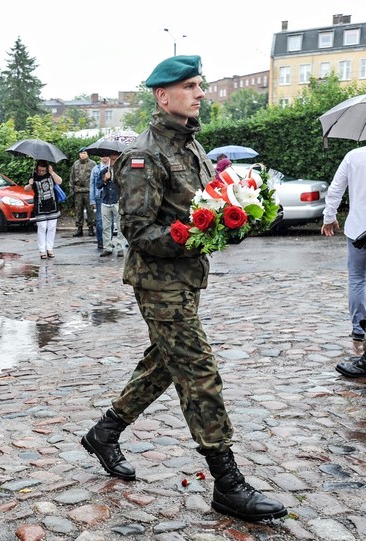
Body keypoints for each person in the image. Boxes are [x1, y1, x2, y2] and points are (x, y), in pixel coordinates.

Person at [79, 55, 287, 523]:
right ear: (163, 95)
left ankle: (104, 432)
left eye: (200, 85)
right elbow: (138, 231)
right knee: (198, 372)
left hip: (187, 280)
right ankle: (227, 482)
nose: (200, 93)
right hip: (159, 284)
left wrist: (235, 221)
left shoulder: (192, 147)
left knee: (164, 363)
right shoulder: (144, 154)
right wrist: (193, 237)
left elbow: (206, 206)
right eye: (191, 86)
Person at [322, 145, 366, 377]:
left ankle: (359, 329)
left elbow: (336, 189)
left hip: (358, 229)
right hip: (358, 230)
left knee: (358, 279)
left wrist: (330, 218)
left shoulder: (354, 156)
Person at [24, 160, 63, 259]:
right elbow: (26, 189)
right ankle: (42, 250)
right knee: (42, 228)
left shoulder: (50, 174)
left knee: (51, 227)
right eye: (40, 170)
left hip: (52, 204)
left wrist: (52, 172)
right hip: (40, 205)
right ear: (37, 168)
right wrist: (30, 184)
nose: (41, 172)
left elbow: (59, 182)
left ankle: (50, 248)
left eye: (43, 171)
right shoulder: (33, 175)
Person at [98, 150, 128, 258]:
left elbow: (126, 186)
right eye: (111, 159)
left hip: (117, 201)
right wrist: (104, 180)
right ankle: (108, 247)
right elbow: (98, 185)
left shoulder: (122, 172)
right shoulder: (103, 171)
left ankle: (120, 247)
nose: (113, 161)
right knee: (106, 227)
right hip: (106, 201)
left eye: (115, 159)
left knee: (120, 226)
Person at [69, 148, 96, 237]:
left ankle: (91, 228)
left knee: (90, 211)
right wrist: (71, 189)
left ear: (87, 154)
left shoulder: (93, 164)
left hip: (88, 190)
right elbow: (72, 177)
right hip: (78, 191)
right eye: (81, 153)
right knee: (78, 211)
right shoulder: (75, 164)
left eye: (84, 153)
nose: (83, 155)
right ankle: (79, 229)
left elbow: (95, 177)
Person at [89, 157, 108, 251]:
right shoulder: (96, 169)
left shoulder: (112, 168)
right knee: (99, 220)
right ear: (100, 157)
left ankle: (109, 241)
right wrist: (92, 200)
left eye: (107, 155)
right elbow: (92, 184)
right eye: (103, 155)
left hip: (109, 196)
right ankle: (101, 241)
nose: (105, 157)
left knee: (110, 221)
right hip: (99, 197)